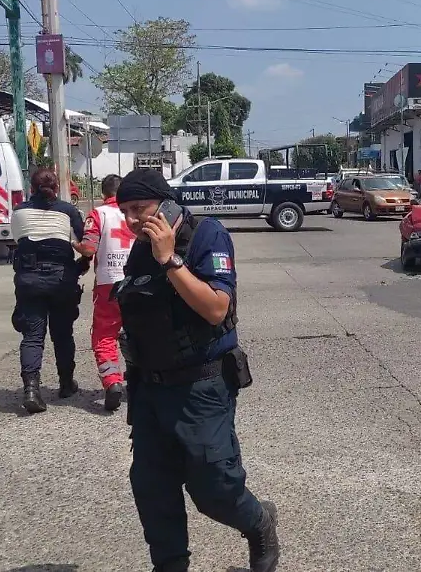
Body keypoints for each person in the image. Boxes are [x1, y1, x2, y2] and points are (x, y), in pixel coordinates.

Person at [113, 169, 279, 572]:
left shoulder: (207, 235)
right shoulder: (139, 248)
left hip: (201, 386)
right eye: (126, 211)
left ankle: (259, 524)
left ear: (167, 204)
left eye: (141, 208)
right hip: (149, 389)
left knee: (215, 489)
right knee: (153, 489)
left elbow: (216, 308)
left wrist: (169, 259)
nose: (134, 219)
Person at [10, 167, 85, 414]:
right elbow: (85, 243)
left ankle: (31, 390)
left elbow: (19, 240)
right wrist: (80, 267)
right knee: (63, 335)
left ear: (31, 188)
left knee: (32, 336)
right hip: (61, 279)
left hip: (29, 279)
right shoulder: (69, 211)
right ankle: (66, 384)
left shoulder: (19, 212)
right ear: (56, 189)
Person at [75, 174, 133, 412]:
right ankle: (142, 380)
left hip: (109, 282)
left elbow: (89, 247)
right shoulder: (136, 211)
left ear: (103, 194)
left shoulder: (98, 214)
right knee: (140, 332)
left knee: (105, 336)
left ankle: (112, 383)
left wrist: (76, 247)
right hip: (137, 280)